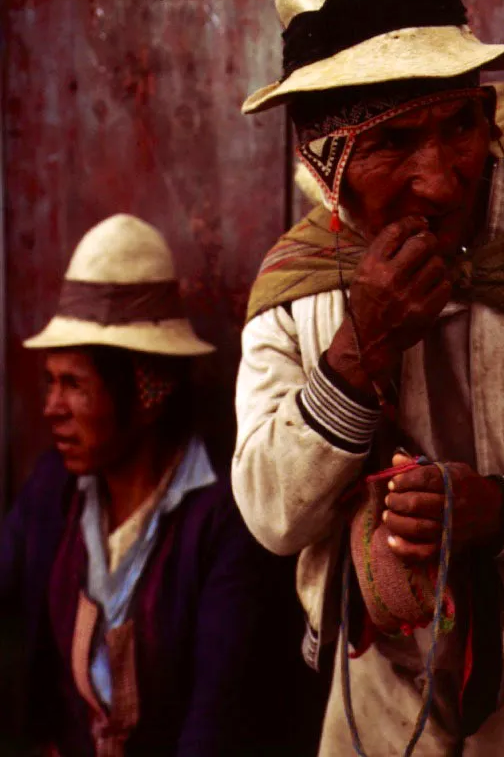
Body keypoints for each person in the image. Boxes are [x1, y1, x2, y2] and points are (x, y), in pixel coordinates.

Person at [232, 0, 504, 755]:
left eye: (459, 125)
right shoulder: (295, 297)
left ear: (488, 112)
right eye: (394, 141)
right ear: (323, 160)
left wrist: (502, 510)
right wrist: (357, 352)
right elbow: (273, 515)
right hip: (375, 705)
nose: (441, 180)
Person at [0, 214, 327, 756]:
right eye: (49, 383)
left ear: (148, 392)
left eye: (74, 384)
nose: (51, 409)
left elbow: (219, 721)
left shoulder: (223, 520)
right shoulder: (52, 490)